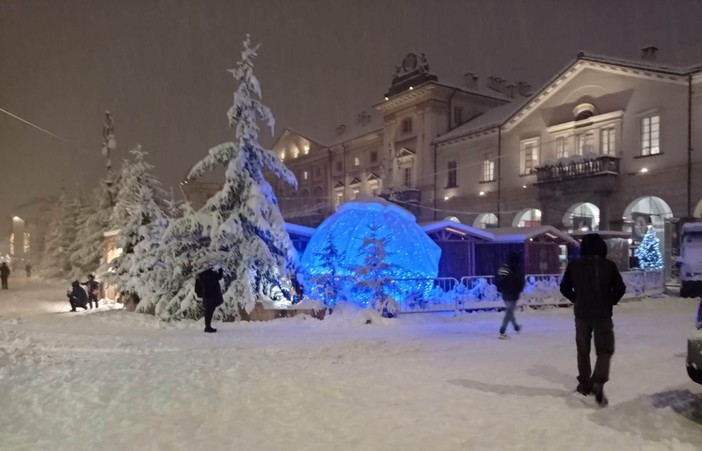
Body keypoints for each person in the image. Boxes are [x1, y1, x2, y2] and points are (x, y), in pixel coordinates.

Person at [560, 233, 626, 407]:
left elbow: (564, 287)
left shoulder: (574, 266)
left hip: (581, 314)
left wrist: (577, 298)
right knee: (605, 349)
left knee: (583, 350)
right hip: (602, 314)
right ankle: (598, 380)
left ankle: (585, 384)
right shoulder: (609, 266)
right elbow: (620, 288)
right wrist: (609, 301)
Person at [494, 251, 525, 339]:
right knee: (509, 311)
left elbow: (497, 278)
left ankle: (516, 327)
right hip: (513, 292)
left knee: (509, 310)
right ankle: (502, 330)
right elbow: (520, 281)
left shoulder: (504, 266)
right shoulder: (516, 268)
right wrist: (519, 289)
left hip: (504, 292)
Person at [195, 266, 224, 333]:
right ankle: (208, 327)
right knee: (209, 312)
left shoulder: (201, 275)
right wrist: (220, 269)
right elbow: (219, 277)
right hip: (212, 296)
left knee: (208, 311)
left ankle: (208, 327)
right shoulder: (210, 273)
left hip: (207, 296)